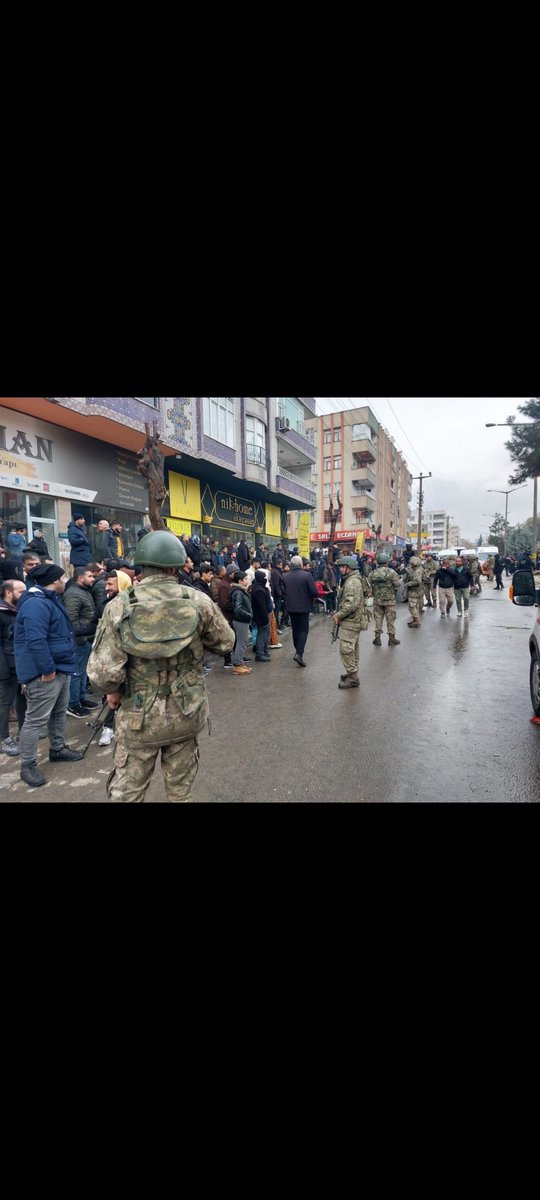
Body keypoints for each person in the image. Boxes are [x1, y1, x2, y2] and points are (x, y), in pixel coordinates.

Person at [87, 531, 235, 803]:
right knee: (180, 793)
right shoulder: (197, 600)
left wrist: (114, 690)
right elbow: (226, 643)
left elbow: (103, 676)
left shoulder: (119, 606)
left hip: (138, 717)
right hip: (186, 711)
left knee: (128, 795)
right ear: (176, 566)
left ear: (141, 565)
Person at [14, 563, 84, 787]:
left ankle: (58, 748)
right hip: (44, 674)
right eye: (62, 578)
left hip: (59, 668)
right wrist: (47, 670)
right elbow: (36, 640)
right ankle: (27, 764)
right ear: (54, 581)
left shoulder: (48, 600)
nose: (65, 582)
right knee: (35, 720)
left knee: (59, 712)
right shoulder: (36, 604)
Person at [62, 566, 100, 718]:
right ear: (80, 578)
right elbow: (71, 621)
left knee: (83, 671)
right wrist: (81, 639)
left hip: (86, 639)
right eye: (90, 576)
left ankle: (82, 698)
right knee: (77, 672)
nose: (93, 579)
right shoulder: (73, 594)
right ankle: (73, 704)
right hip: (79, 641)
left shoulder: (83, 591)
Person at [0, 578, 27, 755]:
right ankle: (4, 739)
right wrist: (3, 671)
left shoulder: (17, 610)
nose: (25, 594)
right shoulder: (2, 612)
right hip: (6, 668)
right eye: (21, 591)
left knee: (22, 698)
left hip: (19, 664)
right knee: (4, 703)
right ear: (8, 593)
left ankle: (23, 732)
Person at [332, 555, 366, 689]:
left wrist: (338, 615)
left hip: (351, 621)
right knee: (353, 648)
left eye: (342, 567)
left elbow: (350, 604)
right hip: (354, 620)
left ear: (349, 568)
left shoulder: (352, 582)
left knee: (346, 649)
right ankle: (352, 672)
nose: (340, 569)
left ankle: (353, 677)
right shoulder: (353, 579)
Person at [282, 555, 318, 667]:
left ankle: (298, 650)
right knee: (303, 630)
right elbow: (314, 592)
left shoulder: (285, 576)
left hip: (291, 607)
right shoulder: (306, 575)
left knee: (295, 629)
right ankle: (299, 653)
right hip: (303, 607)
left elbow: (283, 591)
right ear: (301, 564)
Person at [370, 553, 401, 646]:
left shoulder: (373, 573)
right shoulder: (391, 572)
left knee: (378, 619)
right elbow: (397, 584)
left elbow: (368, 585)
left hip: (377, 600)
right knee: (390, 620)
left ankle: (377, 638)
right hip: (390, 600)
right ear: (387, 562)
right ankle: (391, 639)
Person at [229, 569, 253, 675]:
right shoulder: (238, 592)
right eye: (246, 579)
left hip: (241, 620)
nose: (248, 580)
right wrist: (249, 615)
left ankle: (239, 662)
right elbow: (238, 609)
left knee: (242, 642)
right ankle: (237, 665)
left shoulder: (240, 591)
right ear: (240, 581)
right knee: (241, 642)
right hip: (241, 621)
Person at [251, 570, 273, 662]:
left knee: (266, 634)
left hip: (263, 615)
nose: (266, 579)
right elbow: (261, 606)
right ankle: (259, 654)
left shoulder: (259, 587)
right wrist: (264, 618)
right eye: (264, 577)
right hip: (261, 616)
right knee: (261, 635)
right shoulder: (259, 590)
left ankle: (264, 651)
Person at [404, 556, 424, 628]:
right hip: (414, 591)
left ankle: (416, 622)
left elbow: (417, 581)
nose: (411, 565)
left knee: (412, 607)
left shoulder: (418, 571)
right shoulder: (414, 570)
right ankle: (414, 620)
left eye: (412, 564)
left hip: (415, 592)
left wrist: (408, 584)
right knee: (414, 606)